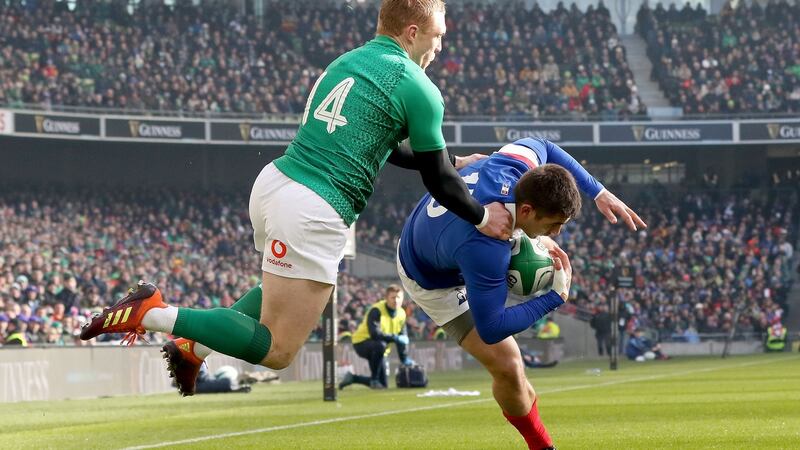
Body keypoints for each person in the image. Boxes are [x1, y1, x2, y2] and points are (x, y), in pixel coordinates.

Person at [80, 0, 513, 396]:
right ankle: (151, 312)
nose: (440, 45)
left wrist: (452, 158)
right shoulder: (417, 85)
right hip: (315, 206)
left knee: (286, 290)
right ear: (413, 31)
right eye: (438, 36)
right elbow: (437, 180)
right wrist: (480, 218)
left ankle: (194, 348)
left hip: (276, 184)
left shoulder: (351, 62)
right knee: (277, 350)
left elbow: (384, 145)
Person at [397, 137, 646, 449]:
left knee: (514, 366)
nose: (556, 233)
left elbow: (545, 145)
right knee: (509, 366)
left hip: (439, 231)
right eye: (553, 225)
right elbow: (491, 328)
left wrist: (598, 190)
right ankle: (542, 447)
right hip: (430, 276)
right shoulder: (487, 248)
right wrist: (554, 297)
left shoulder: (515, 165)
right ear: (527, 210)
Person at [339, 285, 413, 390]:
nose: (396, 300)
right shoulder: (376, 310)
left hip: (380, 348)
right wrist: (396, 338)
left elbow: (402, 338)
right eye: (393, 297)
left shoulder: (402, 314)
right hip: (361, 343)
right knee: (380, 345)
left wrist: (404, 358)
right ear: (386, 298)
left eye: (398, 297)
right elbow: (375, 334)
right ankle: (374, 379)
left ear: (402, 299)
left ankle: (353, 378)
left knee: (383, 385)